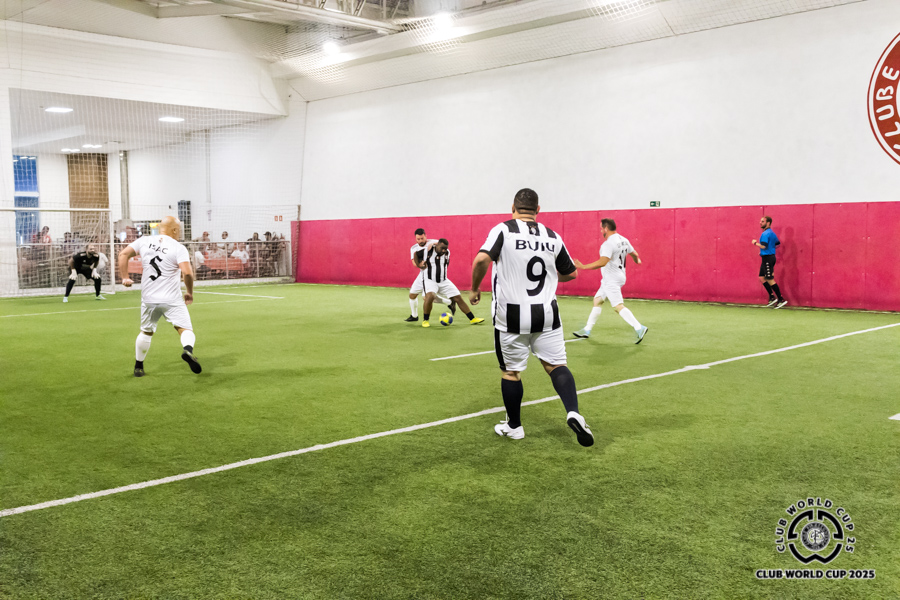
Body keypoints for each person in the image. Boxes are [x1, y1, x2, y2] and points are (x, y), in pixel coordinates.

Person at [470, 188, 593, 446]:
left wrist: (475, 288)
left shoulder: (503, 230)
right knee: (556, 366)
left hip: (511, 316)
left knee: (511, 372)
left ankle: (514, 426)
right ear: (538, 210)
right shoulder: (553, 236)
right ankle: (574, 412)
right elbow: (571, 273)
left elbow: (481, 260)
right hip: (546, 314)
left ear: (512, 208)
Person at [118, 216, 201, 377]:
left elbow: (123, 254)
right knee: (185, 329)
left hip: (149, 298)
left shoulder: (144, 241)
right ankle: (188, 350)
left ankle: (138, 367)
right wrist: (189, 292)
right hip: (172, 299)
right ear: (175, 230)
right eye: (179, 230)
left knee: (146, 332)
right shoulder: (178, 247)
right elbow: (187, 273)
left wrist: (125, 277)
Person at [572, 219, 648, 344]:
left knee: (618, 306)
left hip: (611, 279)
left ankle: (639, 327)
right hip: (617, 276)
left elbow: (602, 262)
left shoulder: (608, 244)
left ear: (606, 229)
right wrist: (637, 260)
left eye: (601, 228)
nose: (601, 231)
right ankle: (587, 329)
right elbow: (634, 253)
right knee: (598, 300)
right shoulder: (624, 239)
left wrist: (583, 267)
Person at [419, 238, 483, 328]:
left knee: (458, 298)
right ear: (437, 245)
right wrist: (419, 264)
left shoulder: (447, 253)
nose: (444, 250)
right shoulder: (428, 251)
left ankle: (472, 319)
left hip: (444, 280)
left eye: (445, 248)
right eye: (442, 248)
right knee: (430, 296)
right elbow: (416, 253)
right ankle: (425, 320)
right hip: (430, 280)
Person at [406, 228, 452, 322]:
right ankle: (414, 316)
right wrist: (419, 265)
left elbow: (446, 251)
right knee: (412, 295)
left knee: (426, 297)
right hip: (422, 274)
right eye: (418, 239)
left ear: (426, 236)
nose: (420, 241)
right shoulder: (414, 248)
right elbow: (414, 263)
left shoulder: (434, 242)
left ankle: (449, 302)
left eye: (422, 238)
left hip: (431, 275)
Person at [752, 216, 787, 308]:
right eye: (760, 221)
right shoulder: (772, 233)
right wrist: (767, 251)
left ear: (768, 223)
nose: (760, 222)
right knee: (762, 278)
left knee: (770, 279)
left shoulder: (765, 234)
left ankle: (781, 299)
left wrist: (755, 243)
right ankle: (772, 297)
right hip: (767, 257)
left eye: (762, 221)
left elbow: (764, 246)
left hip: (768, 258)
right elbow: (777, 244)